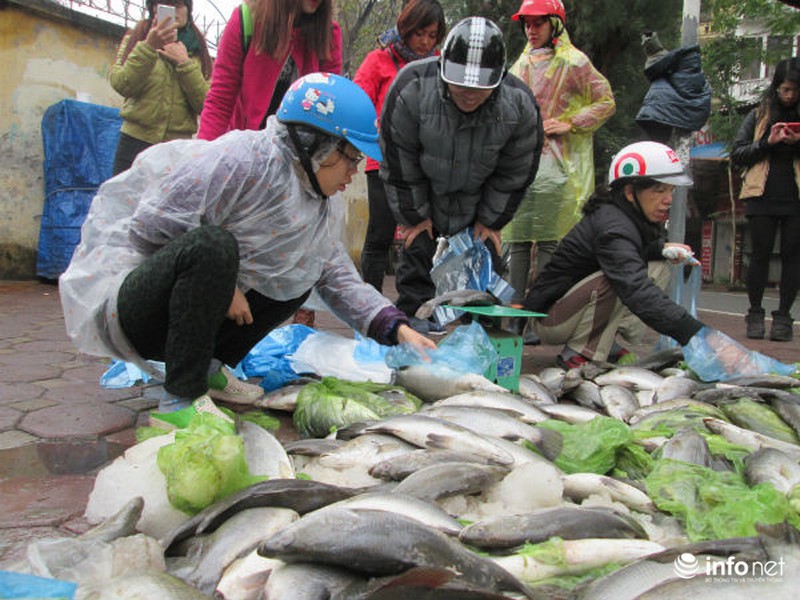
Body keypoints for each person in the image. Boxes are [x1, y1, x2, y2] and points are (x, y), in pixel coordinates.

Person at [59, 73, 437, 412]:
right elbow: (149, 225)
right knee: (214, 245)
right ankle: (181, 399)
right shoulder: (243, 160)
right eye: (350, 158)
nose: (354, 172)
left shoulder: (320, 204)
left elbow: (336, 276)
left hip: (194, 319)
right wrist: (224, 287)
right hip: (138, 311)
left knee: (301, 273)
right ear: (315, 146)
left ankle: (208, 369)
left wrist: (397, 329)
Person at [380, 16, 543, 333]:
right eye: (460, 83)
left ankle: (483, 349)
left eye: (480, 86)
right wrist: (414, 215)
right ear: (442, 66)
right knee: (416, 279)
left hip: (479, 202)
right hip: (425, 197)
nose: (469, 92)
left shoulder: (519, 105)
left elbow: (516, 170)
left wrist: (491, 219)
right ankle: (411, 346)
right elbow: (399, 158)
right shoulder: (411, 87)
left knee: (484, 290)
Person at [197, 0, 343, 329]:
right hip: (247, 163)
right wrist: (202, 163)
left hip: (302, 166)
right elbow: (221, 97)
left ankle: (301, 329)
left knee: (302, 252)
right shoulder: (247, 19)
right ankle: (217, 340)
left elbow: (331, 108)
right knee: (234, 251)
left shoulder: (328, 32)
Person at [522, 141, 705, 369]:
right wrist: (695, 333)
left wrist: (661, 249)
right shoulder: (613, 226)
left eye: (671, 190)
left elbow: (635, 252)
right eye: (659, 190)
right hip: (550, 320)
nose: (668, 199)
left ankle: (606, 343)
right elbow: (635, 288)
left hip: (572, 311)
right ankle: (580, 353)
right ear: (630, 192)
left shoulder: (630, 217)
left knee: (657, 263)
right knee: (618, 280)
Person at [501, 0, 615, 342]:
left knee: (550, 242)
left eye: (538, 23)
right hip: (524, 164)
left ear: (555, 24)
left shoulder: (575, 62)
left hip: (559, 166)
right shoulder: (520, 63)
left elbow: (606, 101)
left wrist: (568, 123)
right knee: (518, 240)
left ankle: (542, 313)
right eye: (527, 24)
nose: (531, 30)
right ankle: (516, 317)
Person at [354, 0, 446, 293]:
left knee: (423, 233)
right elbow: (358, 104)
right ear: (406, 28)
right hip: (382, 162)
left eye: (433, 35)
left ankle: (416, 305)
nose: (425, 42)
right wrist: (378, 125)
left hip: (424, 164)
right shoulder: (377, 60)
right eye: (420, 33)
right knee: (379, 236)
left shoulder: (440, 63)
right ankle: (370, 309)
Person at [731, 57, 800, 342]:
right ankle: (755, 313)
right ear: (776, 86)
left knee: (793, 257)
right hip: (761, 195)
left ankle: (783, 317)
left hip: (796, 198)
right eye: (785, 89)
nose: (790, 95)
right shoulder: (759, 114)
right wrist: (766, 143)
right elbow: (738, 154)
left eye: (796, 90)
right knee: (758, 255)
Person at [109, 0, 212, 175]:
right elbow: (122, 84)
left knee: (170, 203)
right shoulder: (137, 38)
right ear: (153, 8)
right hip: (134, 143)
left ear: (188, 10)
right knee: (125, 201)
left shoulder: (198, 49)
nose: (174, 11)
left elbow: (207, 105)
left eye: (179, 5)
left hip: (176, 150)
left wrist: (184, 63)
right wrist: (149, 47)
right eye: (165, 4)